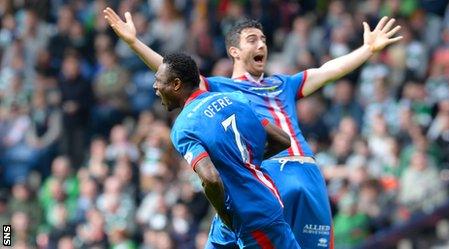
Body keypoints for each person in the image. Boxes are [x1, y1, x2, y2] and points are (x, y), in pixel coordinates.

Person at [103, 7, 402, 248]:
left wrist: (367, 50)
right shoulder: (221, 91)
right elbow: (175, 76)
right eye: (252, 39)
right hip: (270, 174)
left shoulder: (281, 84)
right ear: (234, 51)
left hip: (303, 173)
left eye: (264, 40)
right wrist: (134, 42)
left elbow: (326, 72)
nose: (261, 44)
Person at [155, 52, 299, 248]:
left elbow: (211, 178)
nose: (155, 87)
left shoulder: (184, 127)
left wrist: (225, 214)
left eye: (159, 81)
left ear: (176, 84)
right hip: (250, 207)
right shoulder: (236, 99)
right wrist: (243, 161)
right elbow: (282, 140)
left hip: (251, 217)